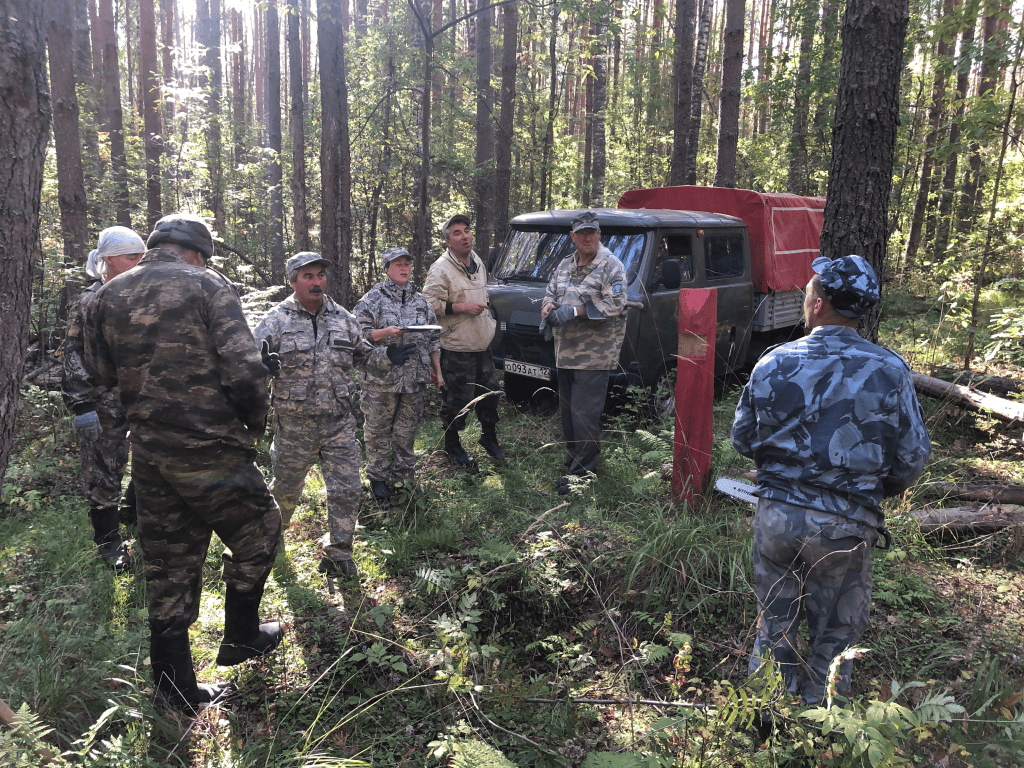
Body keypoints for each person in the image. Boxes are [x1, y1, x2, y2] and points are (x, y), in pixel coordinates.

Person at [83, 213, 284, 711]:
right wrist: (249, 428)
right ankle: (241, 637)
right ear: (196, 251)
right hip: (211, 448)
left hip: (150, 453)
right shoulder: (206, 284)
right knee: (260, 532)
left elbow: (99, 373)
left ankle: (175, 690)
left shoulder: (106, 296)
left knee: (168, 563)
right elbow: (246, 369)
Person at [731, 255, 931, 706]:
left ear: (818, 304)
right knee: (836, 639)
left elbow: (743, 438)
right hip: (847, 526)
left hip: (777, 519)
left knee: (775, 625)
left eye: (808, 293)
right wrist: (869, 493)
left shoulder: (775, 361)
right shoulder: (891, 370)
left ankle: (763, 721)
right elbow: (913, 458)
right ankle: (823, 730)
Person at [253, 252, 414, 575]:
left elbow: (365, 359)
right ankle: (271, 539)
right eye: (308, 277)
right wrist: (259, 368)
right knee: (285, 489)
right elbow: (246, 366)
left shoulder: (342, 317)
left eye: (320, 276)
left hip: (338, 423)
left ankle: (338, 552)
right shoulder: (275, 320)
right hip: (294, 424)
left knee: (347, 489)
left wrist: (389, 358)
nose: (316, 283)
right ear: (293, 281)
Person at [61, 226, 144, 569]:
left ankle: (135, 518)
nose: (139, 262)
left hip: (142, 401)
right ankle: (109, 545)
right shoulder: (89, 301)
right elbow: (72, 353)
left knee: (150, 462)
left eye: (142, 256)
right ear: (108, 260)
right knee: (103, 472)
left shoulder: (143, 298)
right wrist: (81, 404)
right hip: (102, 404)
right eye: (131, 257)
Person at [540, 211, 627, 496]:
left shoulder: (611, 265)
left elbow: (615, 304)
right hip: (565, 352)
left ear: (599, 234)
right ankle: (572, 468)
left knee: (584, 416)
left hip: (595, 355)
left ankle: (582, 477)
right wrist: (548, 309)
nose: (588, 237)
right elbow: (550, 293)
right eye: (582, 233)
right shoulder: (565, 264)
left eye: (592, 232)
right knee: (567, 415)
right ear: (573, 236)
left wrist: (575, 311)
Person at [353, 246, 444, 502]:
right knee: (378, 430)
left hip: (414, 379)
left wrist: (438, 373)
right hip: (381, 379)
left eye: (407, 263)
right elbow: (357, 334)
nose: (403, 268)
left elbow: (433, 339)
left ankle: (404, 477)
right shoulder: (372, 299)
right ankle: (378, 478)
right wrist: (387, 333)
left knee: (406, 432)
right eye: (397, 264)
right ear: (387, 268)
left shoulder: (420, 300)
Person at [422, 214, 504, 466]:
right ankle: (452, 446)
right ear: (447, 241)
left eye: (466, 230)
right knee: (458, 401)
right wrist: (461, 307)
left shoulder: (477, 260)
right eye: (456, 232)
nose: (464, 236)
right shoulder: (441, 269)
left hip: (481, 343)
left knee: (490, 395)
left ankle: (488, 438)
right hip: (457, 347)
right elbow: (428, 305)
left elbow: (483, 291)